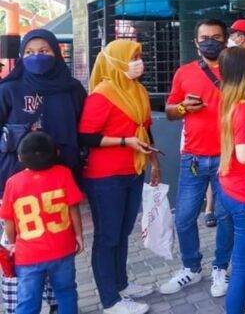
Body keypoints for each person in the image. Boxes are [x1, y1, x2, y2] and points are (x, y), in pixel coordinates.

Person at [0, 29, 87, 313]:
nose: (36, 56)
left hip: (60, 181)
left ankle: (58, 306)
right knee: (21, 260)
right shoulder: (9, 90)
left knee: (59, 256)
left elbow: (83, 130)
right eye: (29, 52)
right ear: (21, 55)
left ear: (56, 53)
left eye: (44, 50)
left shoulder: (72, 89)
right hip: (17, 185)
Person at [78, 39, 160, 314]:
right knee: (108, 236)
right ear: (117, 61)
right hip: (105, 177)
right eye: (132, 57)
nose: (138, 62)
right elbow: (86, 136)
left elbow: (146, 129)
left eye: (139, 56)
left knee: (123, 232)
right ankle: (110, 300)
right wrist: (125, 141)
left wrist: (154, 163)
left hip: (133, 171)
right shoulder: (102, 95)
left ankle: (121, 284)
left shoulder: (138, 90)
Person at [161, 19, 234, 297]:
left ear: (225, 39)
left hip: (227, 156)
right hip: (192, 157)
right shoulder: (184, 72)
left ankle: (220, 268)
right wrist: (183, 107)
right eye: (204, 37)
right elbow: (169, 111)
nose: (210, 42)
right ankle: (191, 268)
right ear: (195, 42)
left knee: (225, 216)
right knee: (183, 218)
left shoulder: (235, 70)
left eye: (216, 36)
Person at [0, 132, 84, 314]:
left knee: (28, 302)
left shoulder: (13, 183)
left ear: (20, 157)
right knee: (66, 293)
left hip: (28, 255)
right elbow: (73, 208)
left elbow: (8, 220)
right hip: (62, 249)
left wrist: (13, 243)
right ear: (55, 153)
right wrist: (79, 235)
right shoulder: (63, 173)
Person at [218, 47, 245, 314]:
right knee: (243, 261)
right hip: (244, 193)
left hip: (230, 187)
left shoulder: (229, 100)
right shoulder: (244, 108)